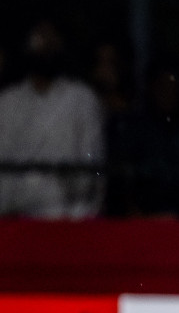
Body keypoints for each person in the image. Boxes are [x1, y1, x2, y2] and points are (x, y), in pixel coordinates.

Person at [0, 21, 106, 218]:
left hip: (66, 221)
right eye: (40, 38)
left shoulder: (82, 99)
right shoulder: (7, 102)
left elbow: (92, 167)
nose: (46, 45)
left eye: (52, 39)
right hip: (13, 222)